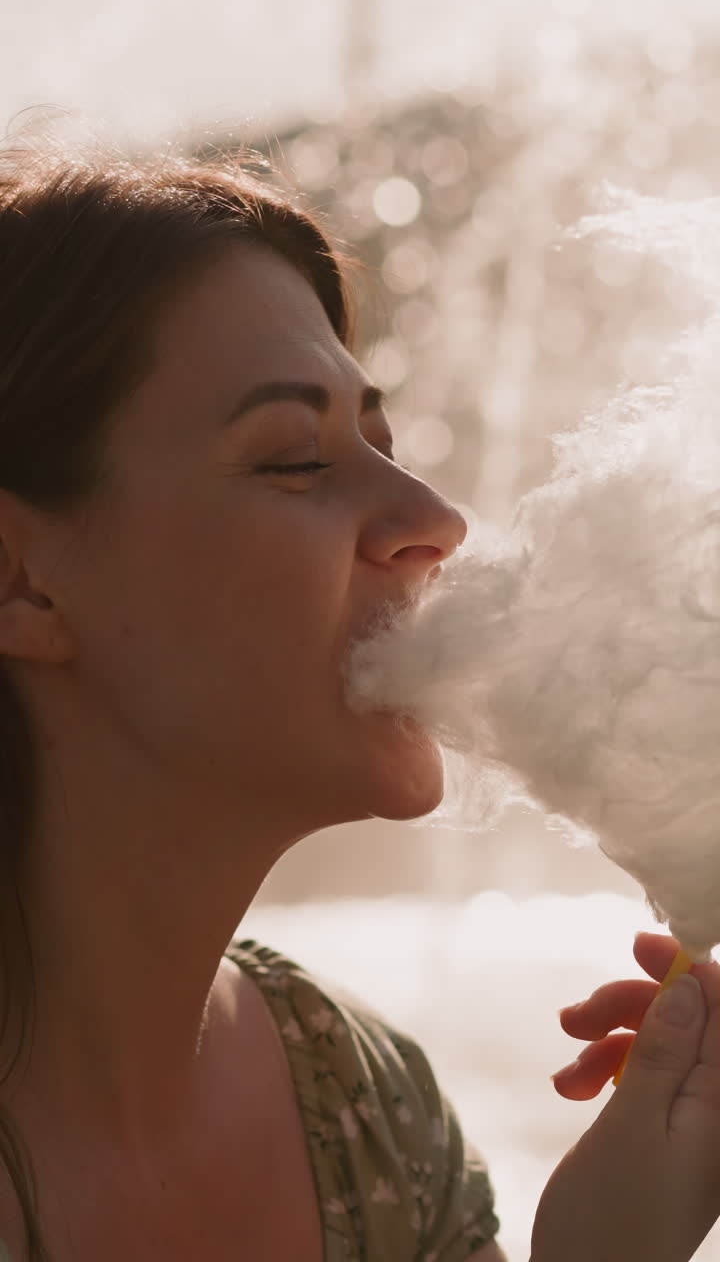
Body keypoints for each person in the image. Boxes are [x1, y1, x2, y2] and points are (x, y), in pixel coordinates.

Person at [0, 131, 719, 1262]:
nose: (434, 518)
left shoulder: (374, 1112)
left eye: (381, 439)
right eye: (297, 457)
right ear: (23, 581)